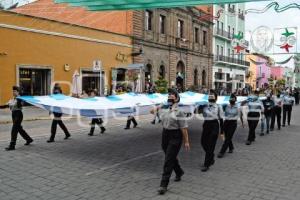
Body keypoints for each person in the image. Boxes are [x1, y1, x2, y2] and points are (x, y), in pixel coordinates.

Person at [151, 88, 190, 195]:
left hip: (175, 136)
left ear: (177, 99)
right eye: (168, 95)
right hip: (165, 134)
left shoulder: (180, 112)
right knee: (170, 156)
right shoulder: (164, 108)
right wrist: (157, 107)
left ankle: (163, 184)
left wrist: (186, 141)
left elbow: (184, 128)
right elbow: (152, 111)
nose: (170, 97)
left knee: (168, 160)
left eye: (172, 95)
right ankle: (179, 171)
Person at [195, 90, 223, 172]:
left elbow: (221, 119)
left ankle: (206, 164)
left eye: (212, 96)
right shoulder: (204, 105)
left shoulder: (218, 106)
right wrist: (199, 106)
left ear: (216, 98)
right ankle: (211, 156)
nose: (210, 97)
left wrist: (222, 131)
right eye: (209, 96)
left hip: (214, 125)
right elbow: (196, 112)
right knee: (203, 142)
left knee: (211, 145)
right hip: (206, 124)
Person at [0, 86, 33, 151]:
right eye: (13, 91)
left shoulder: (20, 98)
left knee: (14, 129)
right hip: (13, 115)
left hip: (18, 114)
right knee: (19, 129)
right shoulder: (12, 100)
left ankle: (12, 145)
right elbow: (5, 106)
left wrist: (19, 99)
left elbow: (19, 105)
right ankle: (29, 139)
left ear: (18, 92)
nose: (13, 92)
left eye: (15, 91)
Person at [217, 94, 243, 158]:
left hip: (233, 123)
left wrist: (242, 123)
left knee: (228, 138)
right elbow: (223, 113)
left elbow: (240, 115)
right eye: (230, 99)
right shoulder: (227, 106)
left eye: (233, 99)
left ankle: (222, 152)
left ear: (235, 100)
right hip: (226, 122)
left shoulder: (238, 107)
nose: (231, 100)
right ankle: (231, 147)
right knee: (227, 137)